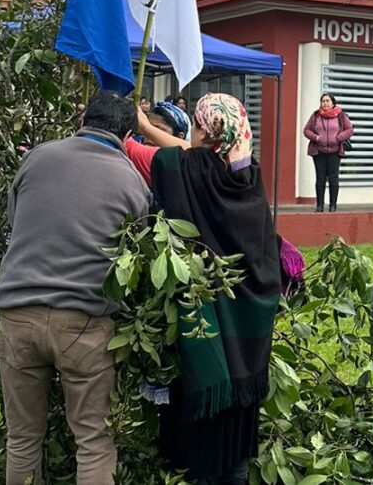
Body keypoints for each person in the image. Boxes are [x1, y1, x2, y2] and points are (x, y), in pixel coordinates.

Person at [0, 91, 150, 485]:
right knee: (94, 440)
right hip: (84, 321)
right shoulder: (130, 178)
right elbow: (135, 256)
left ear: (82, 119)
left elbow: (16, 219)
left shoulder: (38, 157)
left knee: (23, 438)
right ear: (128, 134)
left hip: (18, 313)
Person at [126, 94, 280, 484]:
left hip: (202, 332)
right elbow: (195, 151)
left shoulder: (182, 169)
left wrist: (134, 130)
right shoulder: (249, 177)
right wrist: (148, 127)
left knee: (198, 447)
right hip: (248, 340)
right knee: (236, 451)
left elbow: (146, 155)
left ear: (202, 130)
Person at [302, 93, 354, 212]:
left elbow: (349, 129)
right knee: (320, 179)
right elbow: (306, 130)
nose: (325, 103)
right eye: (323, 101)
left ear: (333, 103)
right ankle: (319, 205)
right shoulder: (316, 116)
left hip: (335, 152)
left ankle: (332, 205)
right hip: (318, 152)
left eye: (327, 101)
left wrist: (338, 138)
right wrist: (316, 138)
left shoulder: (341, 115)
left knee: (333, 178)